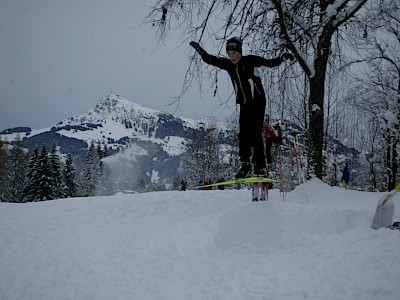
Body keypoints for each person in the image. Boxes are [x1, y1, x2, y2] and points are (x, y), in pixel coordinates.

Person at [190, 37, 293, 178]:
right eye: (229, 53)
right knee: (243, 135)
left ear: (240, 52)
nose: (232, 56)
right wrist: (201, 51)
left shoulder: (250, 60)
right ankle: (245, 165)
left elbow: (269, 63)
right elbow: (211, 59)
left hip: (257, 102)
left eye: (234, 53)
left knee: (256, 133)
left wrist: (282, 57)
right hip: (244, 104)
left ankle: (260, 165)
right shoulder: (228, 65)